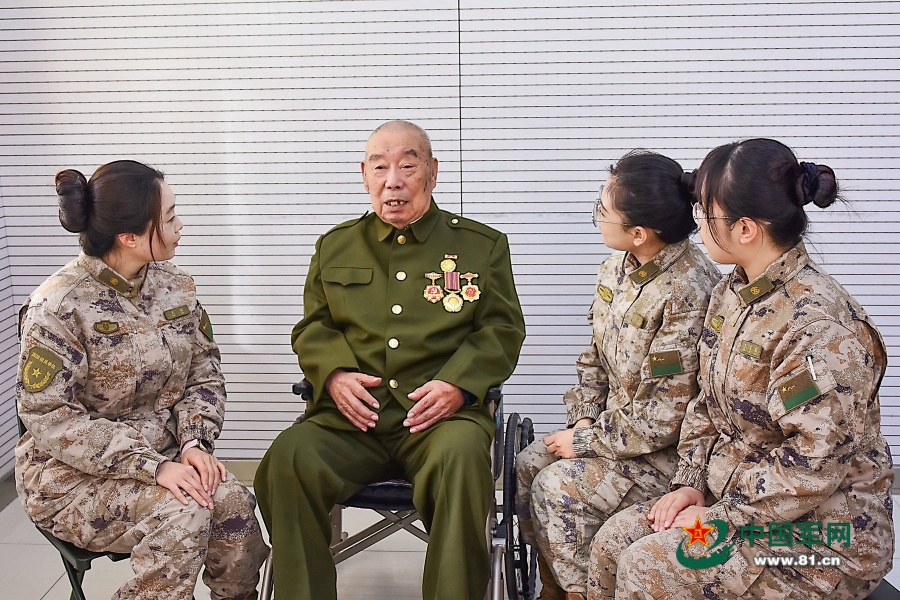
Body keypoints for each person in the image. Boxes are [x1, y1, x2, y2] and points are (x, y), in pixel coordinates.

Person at [588, 139, 895, 600]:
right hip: (744, 504)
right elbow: (705, 402)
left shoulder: (818, 327)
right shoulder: (732, 293)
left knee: (648, 567)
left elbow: (813, 464)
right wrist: (691, 483)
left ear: (746, 229)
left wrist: (722, 517)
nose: (697, 224)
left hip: (821, 538)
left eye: (706, 214)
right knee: (612, 543)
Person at [253, 120, 526, 600]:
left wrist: (458, 386)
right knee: (286, 461)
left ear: (432, 171)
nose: (393, 181)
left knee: (464, 458)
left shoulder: (480, 247)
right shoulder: (336, 245)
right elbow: (314, 327)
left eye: (407, 166)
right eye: (379, 167)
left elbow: (501, 330)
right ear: (364, 174)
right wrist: (334, 374)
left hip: (440, 422)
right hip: (353, 423)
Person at [15, 160, 270, 600]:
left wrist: (194, 443)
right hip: (71, 476)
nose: (180, 225)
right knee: (185, 514)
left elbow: (204, 373)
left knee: (234, 507)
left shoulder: (175, 288)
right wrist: (153, 467)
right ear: (129, 237)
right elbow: (50, 417)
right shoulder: (58, 306)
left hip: (166, 454)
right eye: (169, 218)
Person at [514, 151, 721, 600]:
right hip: (615, 434)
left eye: (603, 209)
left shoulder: (687, 291)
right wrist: (584, 420)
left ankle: (584, 593)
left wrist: (586, 442)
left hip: (663, 456)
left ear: (639, 233)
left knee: (556, 488)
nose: (597, 215)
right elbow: (594, 358)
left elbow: (664, 417)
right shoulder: (617, 267)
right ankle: (554, 587)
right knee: (528, 464)